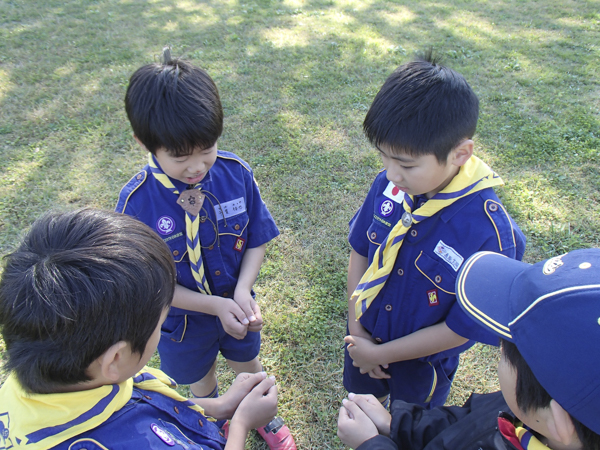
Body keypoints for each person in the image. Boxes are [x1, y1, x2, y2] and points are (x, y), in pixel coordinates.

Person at [115, 49, 295, 448]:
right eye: (180, 157)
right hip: (180, 325)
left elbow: (257, 238)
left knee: (248, 363)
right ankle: (208, 422)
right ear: (144, 142)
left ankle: (263, 412)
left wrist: (244, 289)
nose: (197, 166)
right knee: (200, 377)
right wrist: (213, 306)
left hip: (239, 308)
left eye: (207, 148)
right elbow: (150, 286)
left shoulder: (235, 174)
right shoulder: (135, 206)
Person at [0, 209, 280, 449]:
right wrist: (241, 424)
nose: (159, 331)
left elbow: (147, 402)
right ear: (116, 358)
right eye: (160, 324)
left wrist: (220, 407)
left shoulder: (48, 380)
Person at [344, 53, 526, 409]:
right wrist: (357, 331)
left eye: (407, 164)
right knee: (362, 409)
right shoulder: (388, 186)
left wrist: (385, 353)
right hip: (362, 336)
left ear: (460, 154)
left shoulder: (490, 234)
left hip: (421, 366)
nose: (392, 174)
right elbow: (360, 252)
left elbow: (460, 327)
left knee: (408, 430)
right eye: (384, 157)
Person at [338, 248, 600, 450]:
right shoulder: (524, 409)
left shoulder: (527, 407)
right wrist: (395, 425)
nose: (500, 352)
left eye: (506, 353)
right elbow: (464, 422)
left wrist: (371, 444)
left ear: (559, 422)